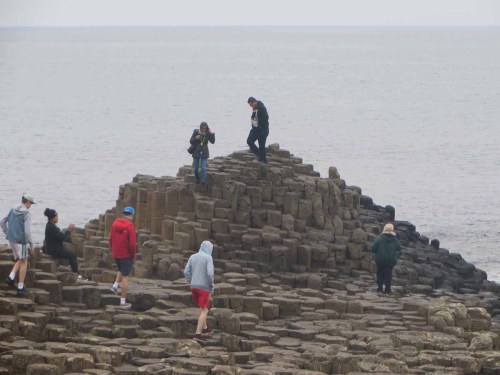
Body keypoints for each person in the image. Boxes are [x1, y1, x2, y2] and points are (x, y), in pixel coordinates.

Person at [0, 194, 35, 296]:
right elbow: (27, 232)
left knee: (20, 259)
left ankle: (11, 277)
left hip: (12, 239)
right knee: (24, 261)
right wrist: (31, 243)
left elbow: (2, 222)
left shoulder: (12, 210)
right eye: (31, 203)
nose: (31, 205)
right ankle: (20, 287)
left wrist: (7, 232)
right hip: (21, 241)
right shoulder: (27, 214)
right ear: (27, 202)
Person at [43, 208, 87, 280]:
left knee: (68, 252)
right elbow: (62, 237)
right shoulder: (52, 227)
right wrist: (69, 230)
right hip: (54, 250)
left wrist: (67, 231)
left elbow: (59, 235)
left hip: (50, 248)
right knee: (72, 256)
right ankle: (76, 274)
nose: (57, 218)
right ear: (52, 218)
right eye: (56, 217)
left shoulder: (50, 225)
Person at [184, 240, 215, 340]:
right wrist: (211, 286)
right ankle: (198, 333)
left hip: (194, 286)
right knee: (205, 309)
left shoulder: (193, 256)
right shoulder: (208, 258)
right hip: (204, 287)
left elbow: (186, 272)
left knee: (202, 308)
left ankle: (205, 328)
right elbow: (210, 274)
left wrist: (192, 280)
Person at [109, 206, 137, 309]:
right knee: (125, 277)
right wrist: (132, 255)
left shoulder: (115, 223)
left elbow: (110, 239)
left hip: (116, 253)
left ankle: (115, 286)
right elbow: (132, 245)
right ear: (132, 215)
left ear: (123, 214)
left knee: (121, 269)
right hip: (126, 255)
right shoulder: (130, 227)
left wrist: (114, 249)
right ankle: (122, 302)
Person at [372, 223, 401, 295]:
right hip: (391, 260)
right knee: (388, 274)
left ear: (384, 229)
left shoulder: (379, 238)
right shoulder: (395, 239)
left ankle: (380, 288)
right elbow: (399, 248)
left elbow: (373, 249)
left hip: (380, 259)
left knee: (380, 273)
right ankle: (388, 289)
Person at [247, 96, 269, 163]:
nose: (250, 106)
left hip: (262, 130)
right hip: (255, 129)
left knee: (261, 145)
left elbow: (266, 118)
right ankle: (258, 154)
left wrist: (260, 127)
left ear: (254, 102)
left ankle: (263, 160)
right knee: (249, 141)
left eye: (251, 104)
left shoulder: (262, 108)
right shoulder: (254, 108)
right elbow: (253, 119)